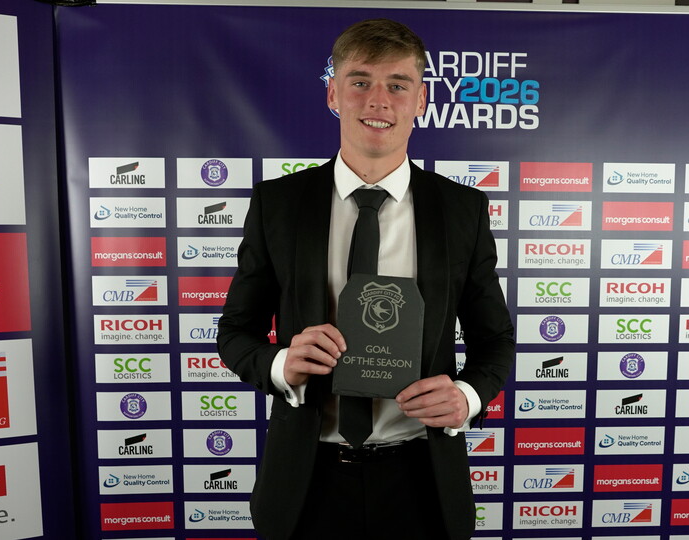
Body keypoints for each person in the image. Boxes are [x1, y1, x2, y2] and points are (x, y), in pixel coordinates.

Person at [217, 18, 514, 540]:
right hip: (307, 481)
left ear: (420, 101)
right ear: (334, 93)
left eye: (398, 85)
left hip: (422, 480)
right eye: (360, 81)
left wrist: (467, 397)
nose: (378, 100)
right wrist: (283, 364)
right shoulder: (279, 205)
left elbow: (496, 341)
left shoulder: (462, 209)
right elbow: (234, 332)